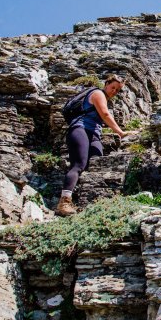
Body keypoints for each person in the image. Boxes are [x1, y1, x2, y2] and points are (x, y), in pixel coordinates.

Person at [56, 74, 134, 216]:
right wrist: (121, 133)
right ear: (106, 84)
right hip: (80, 130)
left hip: (93, 134)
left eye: (117, 90)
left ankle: (88, 203)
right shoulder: (98, 93)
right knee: (78, 165)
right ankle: (64, 202)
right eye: (113, 87)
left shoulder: (105, 98)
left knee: (97, 164)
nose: (114, 91)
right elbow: (105, 114)